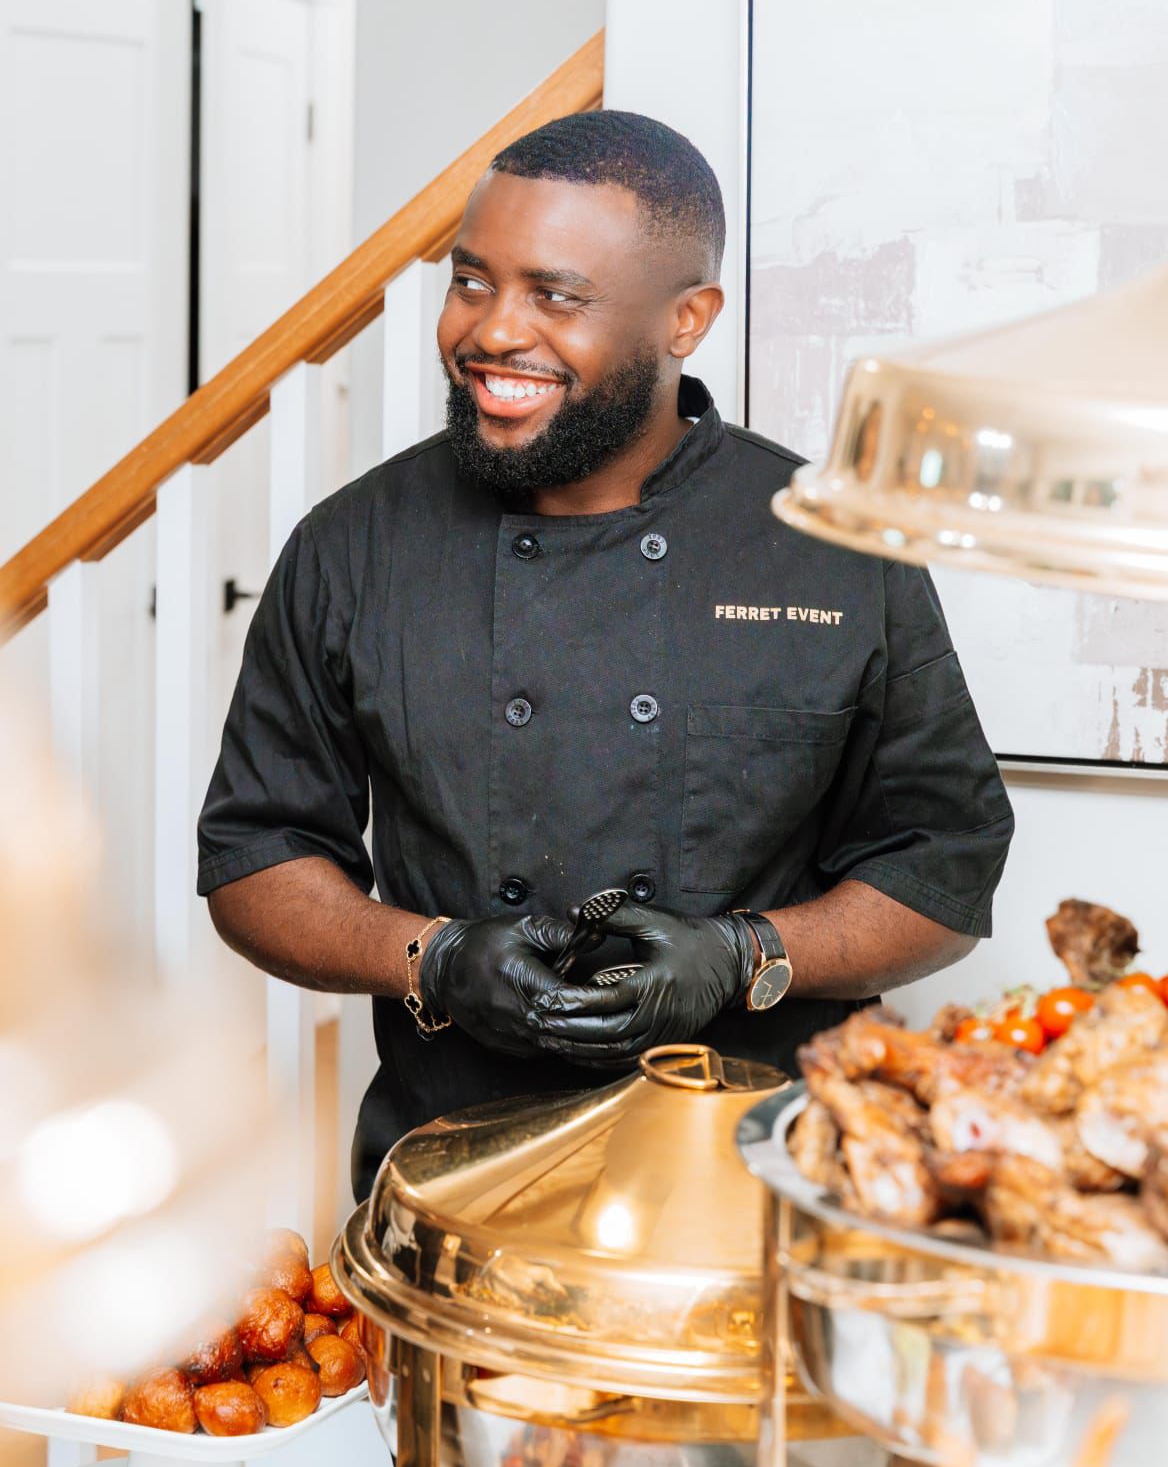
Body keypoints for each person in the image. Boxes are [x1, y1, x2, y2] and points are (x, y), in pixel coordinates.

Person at [198, 111, 1013, 1198]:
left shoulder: (831, 547)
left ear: (686, 319)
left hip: (755, 1187)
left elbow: (943, 868)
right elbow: (256, 859)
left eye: (556, 295)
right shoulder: (354, 546)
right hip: (451, 1182)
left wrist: (745, 956)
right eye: (472, 281)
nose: (491, 331)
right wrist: (431, 958)